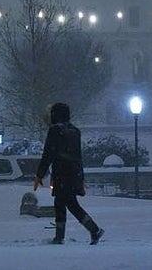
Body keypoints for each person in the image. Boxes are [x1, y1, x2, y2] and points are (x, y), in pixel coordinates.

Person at [34, 102, 104, 245]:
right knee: (64, 203)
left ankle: (91, 230)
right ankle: (65, 235)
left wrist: (40, 174)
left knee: (66, 204)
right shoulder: (75, 131)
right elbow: (78, 156)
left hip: (62, 173)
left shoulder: (55, 130)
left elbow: (48, 153)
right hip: (74, 173)